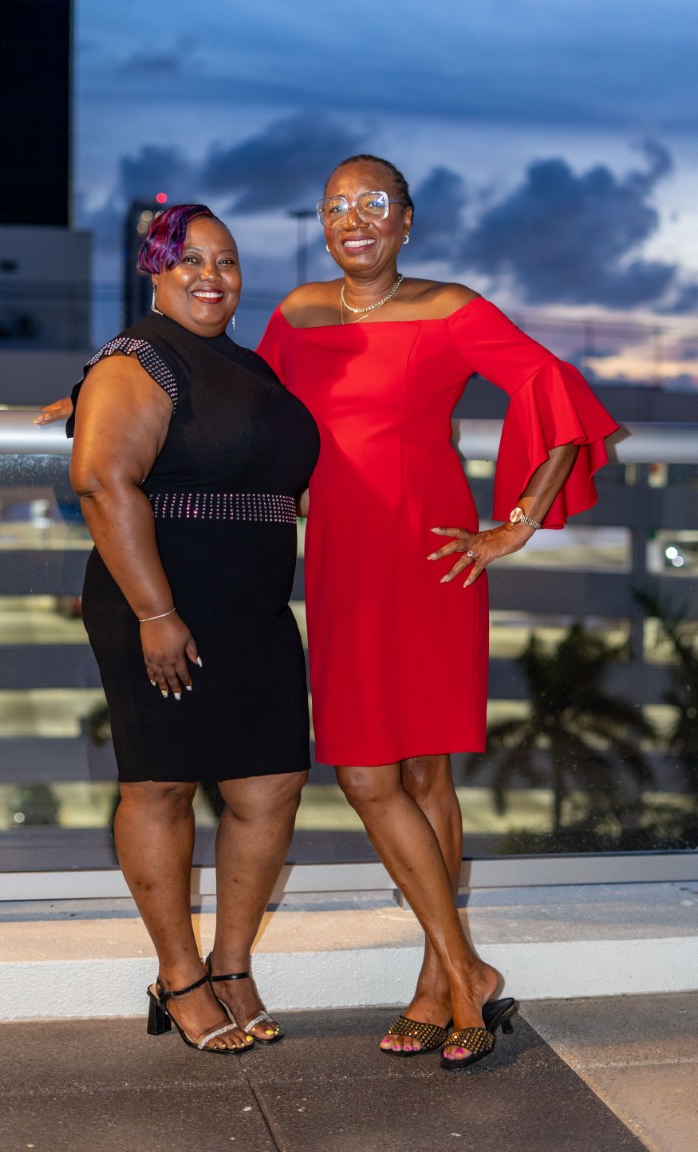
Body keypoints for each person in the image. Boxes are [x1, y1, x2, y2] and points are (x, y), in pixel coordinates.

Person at [255, 154, 618, 1069]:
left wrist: (516, 524)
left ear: (407, 220)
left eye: (374, 203)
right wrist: (109, 381)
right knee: (365, 774)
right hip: (341, 557)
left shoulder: (449, 308)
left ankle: (437, 983)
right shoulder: (296, 313)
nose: (354, 220)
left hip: (431, 554)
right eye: (336, 206)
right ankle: (469, 971)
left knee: (423, 773)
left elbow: (553, 386)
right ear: (322, 224)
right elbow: (244, 404)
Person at [63, 204, 319, 1053]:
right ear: (155, 270)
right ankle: (179, 978)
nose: (212, 276)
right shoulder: (140, 357)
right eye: (190, 260)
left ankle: (232, 965)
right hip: (160, 603)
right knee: (161, 784)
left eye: (226, 261)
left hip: (253, 606)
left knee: (272, 782)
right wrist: (156, 613)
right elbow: (101, 479)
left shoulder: (246, 366)